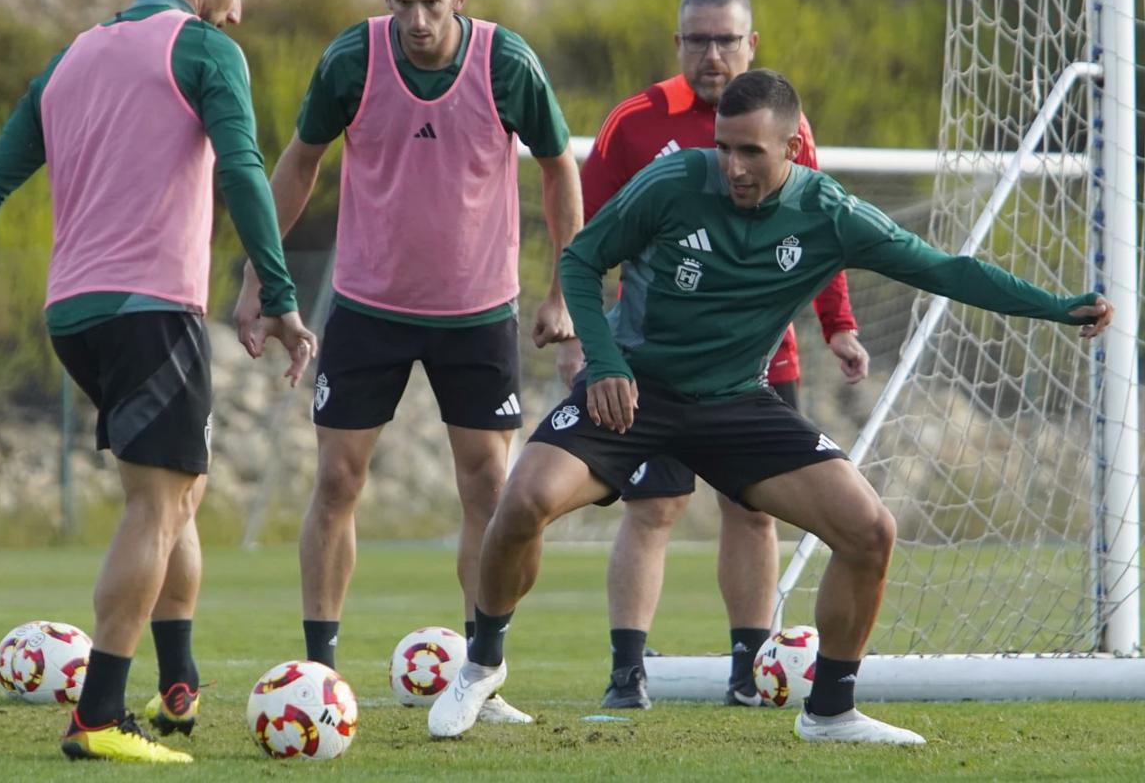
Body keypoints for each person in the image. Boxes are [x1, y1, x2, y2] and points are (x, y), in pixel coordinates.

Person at [428, 69, 1113, 744]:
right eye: (724, 146)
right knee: (522, 502)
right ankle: (482, 665)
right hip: (636, 389)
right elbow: (582, 261)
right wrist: (604, 361)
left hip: (735, 404)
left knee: (869, 530)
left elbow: (942, 269)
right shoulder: (673, 184)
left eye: (750, 151)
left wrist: (1053, 308)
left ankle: (831, 713)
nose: (731, 165)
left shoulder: (829, 213)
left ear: (792, 148)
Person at [0, 0, 318, 763]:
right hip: (153, 307)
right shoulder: (205, 50)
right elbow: (246, 172)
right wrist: (282, 299)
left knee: (179, 491)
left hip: (74, 314)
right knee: (159, 504)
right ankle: (99, 717)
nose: (238, 12)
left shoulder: (72, 56)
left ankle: (176, 682)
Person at [232, 0, 582, 725]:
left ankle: (481, 669)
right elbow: (299, 163)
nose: (419, 21)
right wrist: (259, 276)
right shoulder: (352, 59)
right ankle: (319, 676)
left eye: (433, 2)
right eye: (404, 3)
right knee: (337, 483)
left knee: (491, 495)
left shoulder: (507, 64)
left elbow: (560, 168)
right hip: (367, 307)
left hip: (479, 311)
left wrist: (564, 290)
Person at [580, 0, 868, 710]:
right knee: (656, 508)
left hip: (763, 362)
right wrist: (576, 328)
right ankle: (627, 674)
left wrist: (838, 325)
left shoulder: (788, 128)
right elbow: (586, 234)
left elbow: (820, 234)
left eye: (726, 39)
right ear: (678, 44)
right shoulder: (634, 124)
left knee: (754, 511)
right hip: (661, 364)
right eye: (699, 40)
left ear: (751, 44)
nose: (713, 54)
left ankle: (749, 670)